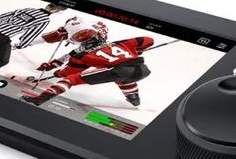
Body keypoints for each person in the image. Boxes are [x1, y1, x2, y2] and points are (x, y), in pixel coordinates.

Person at [22, 17, 154, 107]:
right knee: (124, 77)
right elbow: (148, 40)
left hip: (119, 70)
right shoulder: (120, 43)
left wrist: (58, 73)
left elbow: (68, 73)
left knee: (71, 80)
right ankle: (134, 98)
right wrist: (138, 50)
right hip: (143, 69)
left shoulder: (82, 54)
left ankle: (41, 99)